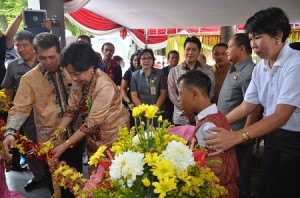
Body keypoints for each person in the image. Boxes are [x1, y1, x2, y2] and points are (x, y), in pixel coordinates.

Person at [205, 7, 300, 198]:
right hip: (272, 137)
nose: (253, 44)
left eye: (257, 37)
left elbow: (281, 115)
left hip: (295, 141)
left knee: (284, 189)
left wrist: (239, 136)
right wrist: (214, 122)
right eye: (250, 39)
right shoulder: (261, 68)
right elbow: (247, 106)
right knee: (265, 187)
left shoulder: (295, 64)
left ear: (278, 35)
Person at [2, 33, 81, 197]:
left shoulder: (73, 70)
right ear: (36, 54)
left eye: (52, 57)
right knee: (57, 185)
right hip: (49, 143)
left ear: (60, 52)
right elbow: (19, 108)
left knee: (78, 182)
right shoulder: (29, 79)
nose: (48, 62)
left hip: (76, 137)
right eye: (43, 58)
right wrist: (10, 132)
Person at [52, 43, 129, 174]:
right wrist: (58, 132)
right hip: (93, 135)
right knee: (95, 173)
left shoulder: (104, 85)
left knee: (113, 175)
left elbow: (91, 123)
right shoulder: (80, 80)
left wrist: (65, 145)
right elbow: (72, 109)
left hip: (114, 134)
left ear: (91, 66)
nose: (74, 78)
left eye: (77, 73)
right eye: (71, 73)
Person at [177, 70, 239, 198]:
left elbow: (215, 167)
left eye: (180, 94)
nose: (178, 100)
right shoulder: (219, 116)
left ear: (194, 94)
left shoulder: (207, 127)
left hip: (216, 191)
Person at [1, 30, 47, 192]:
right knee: (30, 147)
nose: (21, 49)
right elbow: (8, 89)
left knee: (49, 144)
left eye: (24, 45)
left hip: (47, 114)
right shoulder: (13, 66)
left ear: (33, 46)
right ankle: (38, 176)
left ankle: (53, 174)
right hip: (25, 116)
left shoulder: (44, 62)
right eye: (17, 46)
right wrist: (9, 113)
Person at [218, 33, 257, 198]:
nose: (227, 51)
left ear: (241, 49)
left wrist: (245, 135)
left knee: (240, 177)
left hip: (238, 134)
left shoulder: (250, 71)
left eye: (230, 46)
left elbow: (254, 107)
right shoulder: (234, 68)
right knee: (231, 174)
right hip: (229, 132)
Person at [168, 36, 215, 125]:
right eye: (188, 49)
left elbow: (210, 93)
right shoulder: (174, 71)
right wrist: (187, 111)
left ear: (199, 52)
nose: (190, 52)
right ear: (184, 50)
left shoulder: (208, 70)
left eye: (194, 50)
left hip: (202, 117)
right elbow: (172, 94)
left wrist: (195, 112)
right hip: (180, 118)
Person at [130, 48, 167, 121]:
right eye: (143, 58)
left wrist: (154, 110)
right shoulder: (134, 75)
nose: (146, 61)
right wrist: (144, 111)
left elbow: (163, 93)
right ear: (139, 61)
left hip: (157, 112)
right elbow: (134, 95)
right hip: (141, 113)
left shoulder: (160, 73)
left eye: (149, 58)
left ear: (153, 60)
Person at [163, 50, 179, 123]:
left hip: (178, 99)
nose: (174, 59)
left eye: (176, 57)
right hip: (166, 99)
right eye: (172, 57)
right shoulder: (162, 71)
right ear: (168, 59)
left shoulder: (181, 70)